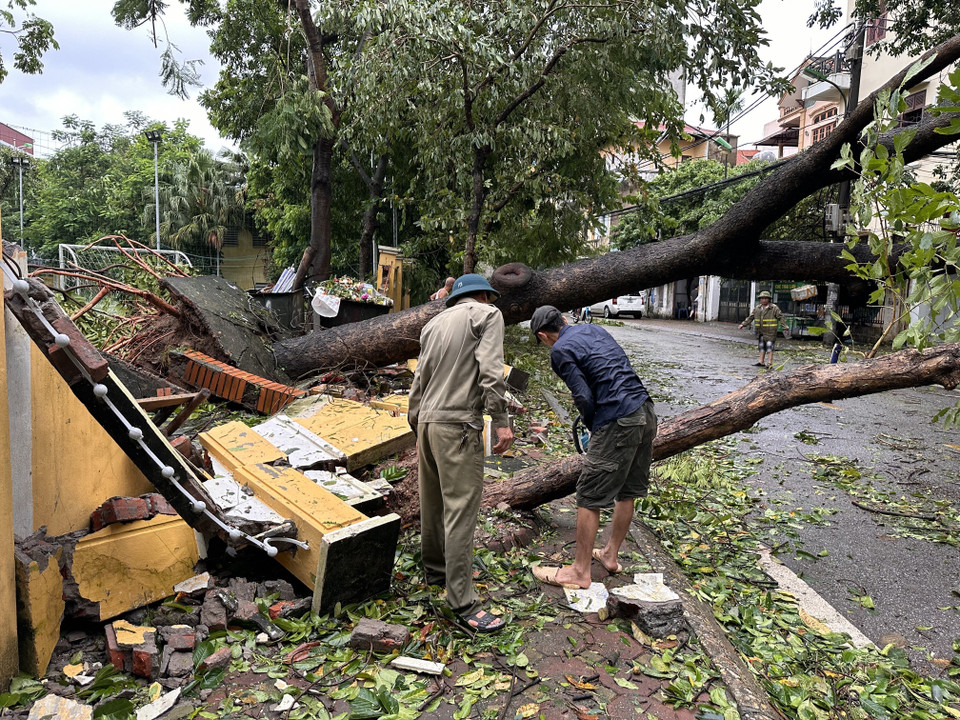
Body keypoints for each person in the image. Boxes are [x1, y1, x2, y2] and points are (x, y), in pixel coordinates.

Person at [408, 273, 514, 632]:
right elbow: (490, 371)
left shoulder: (432, 325)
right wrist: (501, 421)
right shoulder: (488, 315)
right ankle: (463, 601)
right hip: (458, 426)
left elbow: (419, 379)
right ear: (484, 294)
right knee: (460, 512)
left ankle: (437, 573)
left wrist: (416, 422)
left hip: (426, 422)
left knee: (433, 504)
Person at [528, 305, 657, 590]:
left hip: (618, 419)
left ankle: (579, 571)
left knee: (588, 494)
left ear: (543, 335)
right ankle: (610, 555)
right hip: (645, 411)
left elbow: (583, 395)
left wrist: (592, 425)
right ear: (563, 319)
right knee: (628, 490)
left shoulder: (559, 350)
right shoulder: (594, 328)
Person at [738, 290, 784, 368]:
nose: (763, 300)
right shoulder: (757, 308)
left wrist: (785, 327)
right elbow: (751, 317)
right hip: (760, 331)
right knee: (761, 346)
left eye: (765, 298)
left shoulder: (774, 308)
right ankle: (761, 361)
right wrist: (743, 324)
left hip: (770, 331)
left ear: (769, 299)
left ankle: (770, 363)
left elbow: (781, 317)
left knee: (769, 347)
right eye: (762, 298)